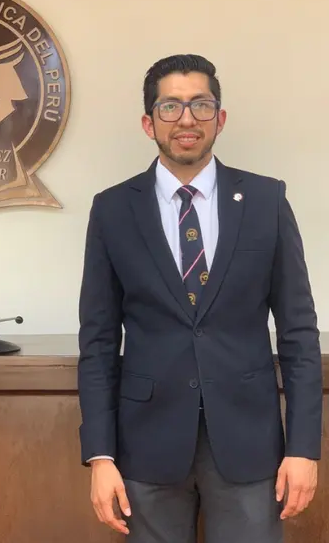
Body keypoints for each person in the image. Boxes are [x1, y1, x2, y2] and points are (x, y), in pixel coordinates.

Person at [77, 54, 321, 543]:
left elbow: (298, 333)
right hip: (146, 444)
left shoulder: (266, 201)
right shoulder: (112, 209)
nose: (186, 119)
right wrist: (100, 455)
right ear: (149, 124)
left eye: (201, 105)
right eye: (170, 107)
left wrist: (304, 448)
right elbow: (99, 341)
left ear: (220, 119)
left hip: (250, 444)